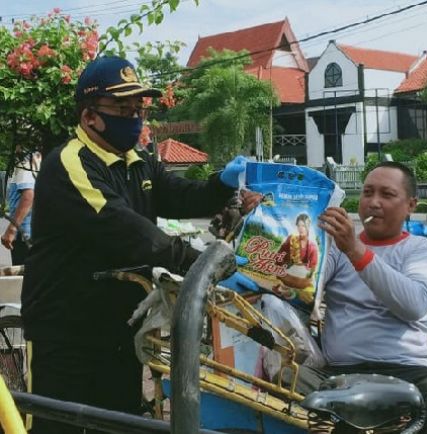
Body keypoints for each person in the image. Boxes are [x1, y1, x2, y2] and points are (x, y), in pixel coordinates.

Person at [21, 56, 257, 434]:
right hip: (65, 330)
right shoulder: (70, 164)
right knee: (55, 426)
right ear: (89, 117)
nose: (134, 117)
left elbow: (183, 196)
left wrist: (222, 184)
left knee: (118, 423)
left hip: (120, 327)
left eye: (138, 108)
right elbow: (131, 234)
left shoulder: (140, 160)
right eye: (121, 108)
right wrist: (207, 266)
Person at [295, 161, 427, 434]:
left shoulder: (420, 249)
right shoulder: (335, 248)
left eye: (387, 194)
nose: (373, 202)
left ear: (411, 205)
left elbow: (414, 304)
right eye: (367, 192)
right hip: (342, 371)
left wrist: (357, 251)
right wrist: (266, 217)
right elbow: (298, 288)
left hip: (411, 371)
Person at [1, 150, 41, 265]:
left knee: (25, 279)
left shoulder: (26, 161)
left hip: (25, 236)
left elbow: (29, 195)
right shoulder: (36, 157)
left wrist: (12, 229)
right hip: (31, 233)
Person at [273, 213, 319, 303]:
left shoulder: (312, 246)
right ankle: (285, 290)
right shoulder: (291, 239)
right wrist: (280, 266)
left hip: (303, 277)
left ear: (308, 226)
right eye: (299, 225)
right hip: (289, 273)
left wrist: (308, 273)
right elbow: (280, 255)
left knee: (306, 295)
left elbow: (313, 268)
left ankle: (291, 292)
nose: (301, 228)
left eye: (304, 226)